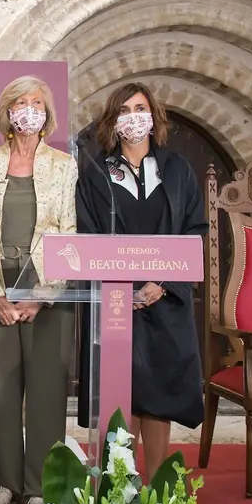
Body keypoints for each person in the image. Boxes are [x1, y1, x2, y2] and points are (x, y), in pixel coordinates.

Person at [76, 82, 206, 480]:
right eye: (125, 110)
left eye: (141, 108)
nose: (134, 117)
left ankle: (156, 488)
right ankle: (120, 487)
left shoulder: (177, 169)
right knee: (123, 389)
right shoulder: (97, 172)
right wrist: (120, 285)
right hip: (116, 301)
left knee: (158, 391)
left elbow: (195, 229)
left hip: (165, 298)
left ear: (154, 117)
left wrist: (162, 281)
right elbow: (87, 232)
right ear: (113, 122)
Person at [0, 77, 77, 504]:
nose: (28, 109)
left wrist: (40, 294)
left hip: (48, 293)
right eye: (20, 103)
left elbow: (69, 231)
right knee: (0, 388)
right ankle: (4, 482)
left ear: (46, 113)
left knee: (48, 388)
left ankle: (40, 485)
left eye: (36, 103)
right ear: (7, 113)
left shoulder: (64, 164)